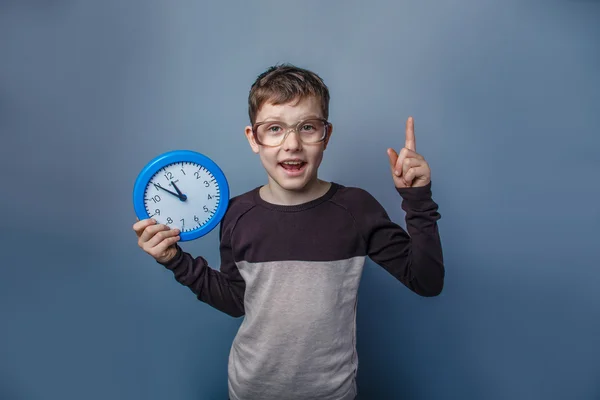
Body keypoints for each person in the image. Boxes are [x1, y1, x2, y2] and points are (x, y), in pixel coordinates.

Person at [133, 64, 445, 400]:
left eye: (307, 127)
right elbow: (238, 301)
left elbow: (426, 280)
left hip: (332, 393)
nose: (292, 144)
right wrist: (175, 261)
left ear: (326, 135)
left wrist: (418, 200)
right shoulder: (238, 214)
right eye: (275, 129)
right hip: (250, 390)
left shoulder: (357, 209)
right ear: (254, 138)